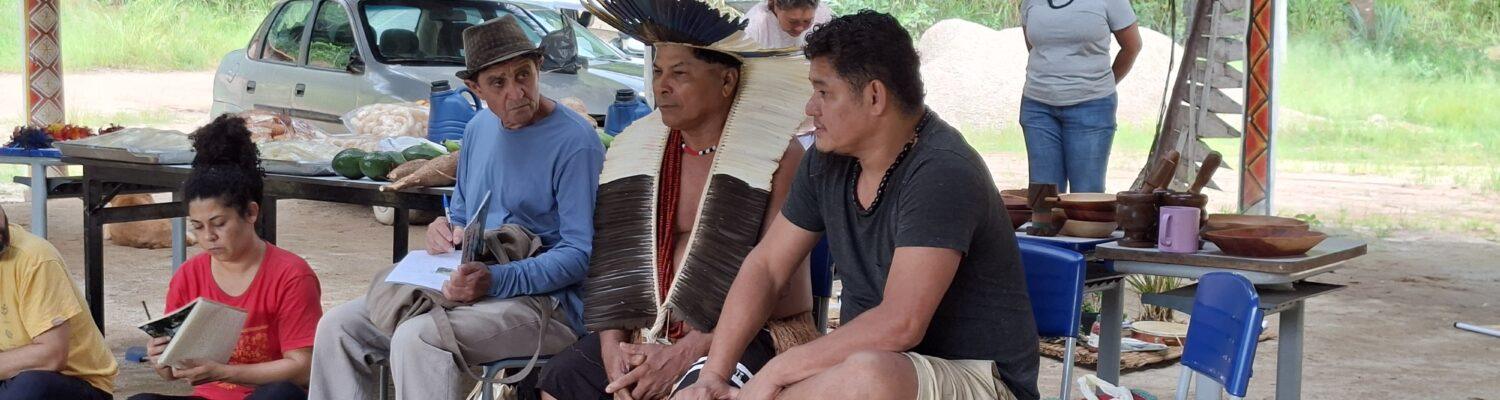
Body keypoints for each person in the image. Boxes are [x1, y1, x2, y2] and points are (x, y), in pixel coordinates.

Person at [675, 11, 1040, 400]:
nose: (810, 108)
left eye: (823, 92)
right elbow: (766, 266)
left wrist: (776, 372)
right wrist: (713, 375)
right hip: (874, 366)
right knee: (857, 371)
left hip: (982, 380)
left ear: (874, 96)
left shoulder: (942, 170)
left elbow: (900, 323)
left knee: (868, 375)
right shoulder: (827, 160)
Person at [308, 15, 604, 400]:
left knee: (418, 338)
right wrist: (445, 231)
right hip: (474, 286)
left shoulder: (576, 142)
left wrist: (496, 280)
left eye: (523, 75)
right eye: (498, 82)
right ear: (474, 88)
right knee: (338, 327)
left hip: (549, 305)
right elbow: (463, 216)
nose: (516, 92)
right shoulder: (479, 129)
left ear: (539, 67)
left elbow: (580, 254)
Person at [537, 2, 816, 399]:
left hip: (752, 331)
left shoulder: (778, 156)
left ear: (727, 81)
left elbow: (776, 284)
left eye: (679, 73)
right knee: (561, 380)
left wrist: (685, 353)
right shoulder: (637, 149)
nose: (661, 86)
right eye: (657, 72)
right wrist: (612, 350)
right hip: (650, 327)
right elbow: (617, 265)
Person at [129, 116, 320, 400]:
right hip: (207, 397)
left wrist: (226, 372)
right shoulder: (189, 274)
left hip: (263, 396)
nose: (208, 236)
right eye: (197, 227)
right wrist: (161, 359)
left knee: (280, 394)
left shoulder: (291, 274)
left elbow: (303, 368)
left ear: (251, 213)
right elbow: (171, 372)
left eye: (219, 224)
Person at [1019, 0, 1143, 193]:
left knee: (1086, 196)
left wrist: (1100, 83)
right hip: (1037, 107)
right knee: (1044, 195)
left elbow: (1132, 46)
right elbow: (1036, 47)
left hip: (1092, 107)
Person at [0, 207, 117, 400]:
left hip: (73, 382)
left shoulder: (34, 259)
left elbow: (51, 356)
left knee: (31, 387)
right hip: (9, 374)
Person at [744, 0, 833, 49]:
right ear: (776, 6)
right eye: (793, 21)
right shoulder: (754, 25)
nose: (800, 28)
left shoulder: (822, 15)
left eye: (807, 21)